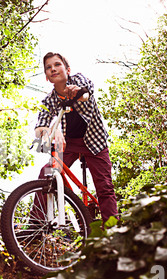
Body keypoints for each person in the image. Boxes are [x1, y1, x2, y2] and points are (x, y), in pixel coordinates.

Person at [34, 52, 117, 222]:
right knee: (46, 174)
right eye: (48, 67)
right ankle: (37, 225)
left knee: (105, 187)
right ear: (47, 78)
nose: (53, 69)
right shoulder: (49, 101)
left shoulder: (78, 80)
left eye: (57, 65)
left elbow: (87, 93)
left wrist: (78, 92)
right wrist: (50, 131)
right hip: (68, 144)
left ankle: (112, 230)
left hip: (94, 141)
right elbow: (40, 128)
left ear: (67, 69)